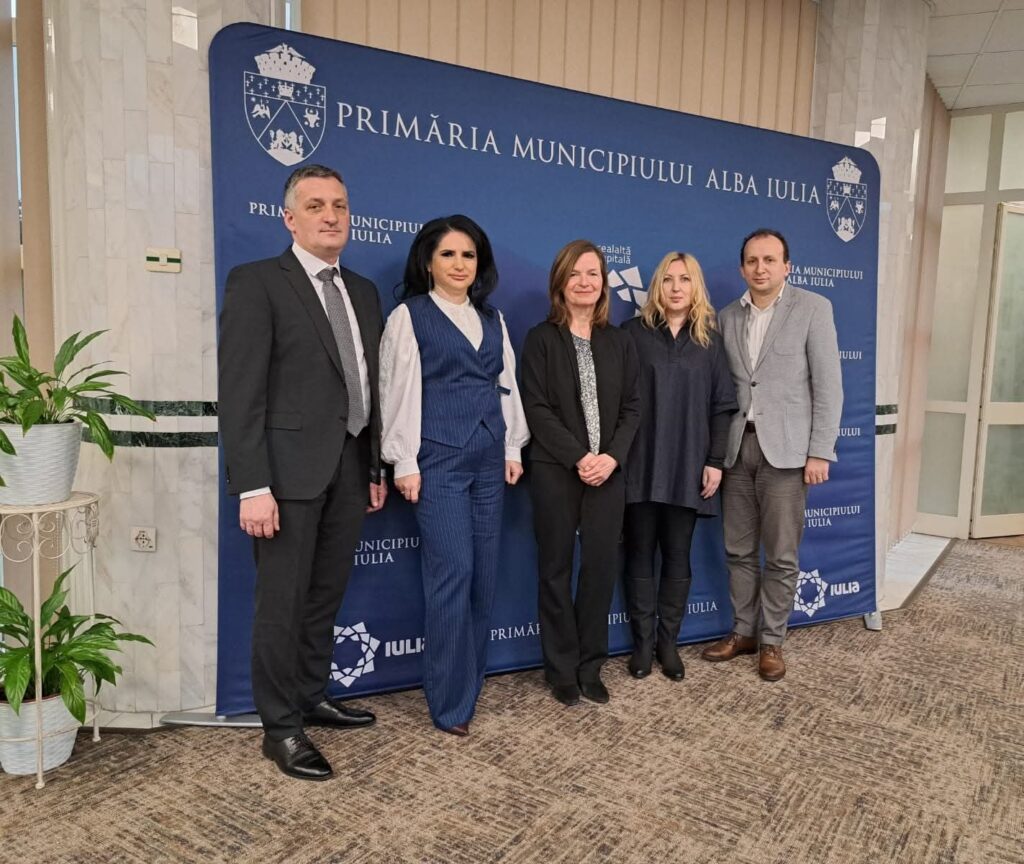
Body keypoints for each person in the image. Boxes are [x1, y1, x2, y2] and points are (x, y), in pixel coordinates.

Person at [218, 164, 387, 781]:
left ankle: (312, 696)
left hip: (350, 468)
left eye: (339, 205)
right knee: (281, 606)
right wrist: (252, 485)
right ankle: (281, 729)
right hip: (285, 478)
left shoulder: (363, 291)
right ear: (289, 219)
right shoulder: (258, 282)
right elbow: (240, 393)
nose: (330, 216)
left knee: (324, 597)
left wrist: (374, 466)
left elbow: (367, 387)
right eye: (315, 206)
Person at [380, 215, 528, 737]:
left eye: (468, 255)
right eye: (448, 254)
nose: (459, 264)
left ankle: (470, 685)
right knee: (453, 575)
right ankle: (448, 703)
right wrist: (404, 460)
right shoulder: (410, 316)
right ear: (428, 262)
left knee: (483, 578)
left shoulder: (493, 318)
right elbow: (398, 390)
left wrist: (511, 446)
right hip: (438, 460)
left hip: (489, 458)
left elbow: (506, 383)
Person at [701, 228, 842, 681]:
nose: (760, 268)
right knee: (739, 550)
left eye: (769, 260)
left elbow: (828, 386)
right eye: (752, 261)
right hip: (736, 448)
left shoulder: (814, 308)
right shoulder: (727, 316)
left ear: (787, 266)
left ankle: (772, 641)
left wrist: (820, 451)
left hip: (788, 453)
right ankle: (743, 632)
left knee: (781, 554)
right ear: (742, 268)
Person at [521, 240, 640, 707]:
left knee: (599, 570)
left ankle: (591, 666)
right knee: (554, 569)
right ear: (560, 282)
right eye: (575, 274)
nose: (584, 282)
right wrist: (579, 457)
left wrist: (610, 458)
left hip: (609, 473)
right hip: (556, 470)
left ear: (604, 283)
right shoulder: (541, 339)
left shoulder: (620, 341)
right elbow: (536, 407)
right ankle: (561, 669)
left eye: (593, 273)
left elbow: (633, 407)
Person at [622, 252, 737, 681]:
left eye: (684, 279)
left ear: (695, 287)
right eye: (668, 279)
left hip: (688, 467)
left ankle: (668, 644)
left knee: (677, 556)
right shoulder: (632, 334)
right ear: (657, 286)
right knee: (639, 555)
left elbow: (722, 407)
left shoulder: (710, 342)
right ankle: (641, 645)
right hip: (640, 466)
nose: (675, 287)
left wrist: (714, 462)